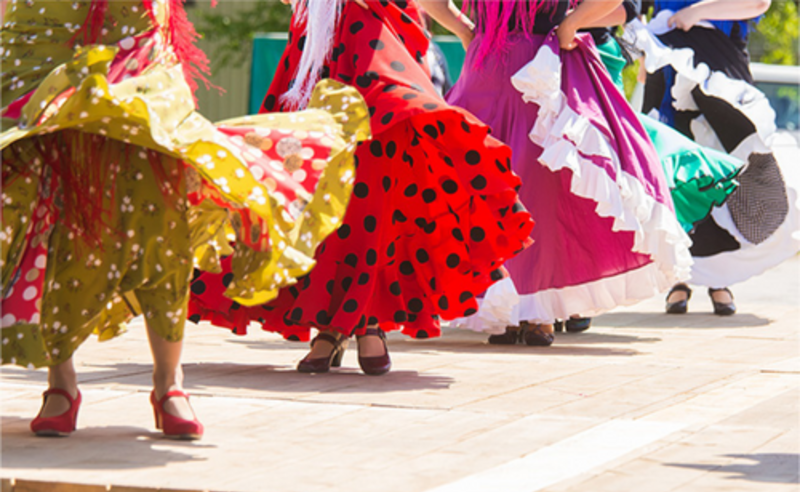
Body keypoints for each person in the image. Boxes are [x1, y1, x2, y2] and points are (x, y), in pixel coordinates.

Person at [1, 0, 369, 438]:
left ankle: (169, 384)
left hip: (137, 51)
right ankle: (61, 384)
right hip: (47, 42)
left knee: (161, 219)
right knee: (65, 216)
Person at [189, 0, 535, 373]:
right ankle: (335, 324)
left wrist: (465, 28)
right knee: (314, 187)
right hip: (318, 50)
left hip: (378, 46)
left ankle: (361, 321)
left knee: (371, 189)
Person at [423, 0, 692, 346]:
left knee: (492, 188)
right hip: (535, 67)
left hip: (502, 66)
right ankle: (530, 313)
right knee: (533, 190)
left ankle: (517, 311)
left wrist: (464, 29)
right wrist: (571, 25)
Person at [627, 0, 800, 315]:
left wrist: (698, 11)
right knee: (678, 176)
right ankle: (679, 278)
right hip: (667, 72)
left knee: (727, 170)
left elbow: (758, 2)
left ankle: (719, 281)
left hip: (720, 71)